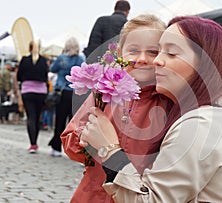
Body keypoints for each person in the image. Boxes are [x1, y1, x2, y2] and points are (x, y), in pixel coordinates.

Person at [80, 16, 222, 202]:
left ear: (203, 65)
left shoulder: (202, 123)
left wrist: (108, 148)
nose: (157, 61)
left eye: (171, 53)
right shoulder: (214, 106)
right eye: (159, 51)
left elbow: (152, 200)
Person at [61, 14, 170, 202]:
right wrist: (84, 138)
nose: (142, 59)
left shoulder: (166, 101)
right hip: (92, 194)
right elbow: (69, 138)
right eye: (134, 50)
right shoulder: (103, 94)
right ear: (120, 53)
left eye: (152, 52)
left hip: (133, 195)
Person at [48, 37, 84, 157]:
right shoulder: (81, 58)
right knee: (74, 123)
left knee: (60, 121)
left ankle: (56, 147)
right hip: (76, 93)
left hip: (62, 92)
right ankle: (74, 149)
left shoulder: (62, 58)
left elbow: (52, 69)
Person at [17, 40, 49, 153]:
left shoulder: (24, 60)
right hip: (41, 92)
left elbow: (19, 76)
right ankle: (35, 142)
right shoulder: (43, 60)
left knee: (31, 117)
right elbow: (46, 76)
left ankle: (33, 144)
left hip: (27, 91)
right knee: (37, 117)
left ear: (29, 47)